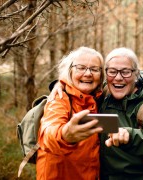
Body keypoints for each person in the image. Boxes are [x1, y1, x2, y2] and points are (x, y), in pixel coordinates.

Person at [51, 47, 143, 180]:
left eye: (125, 72)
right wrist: (60, 84)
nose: (118, 78)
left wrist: (131, 136)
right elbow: (81, 81)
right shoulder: (105, 92)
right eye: (112, 72)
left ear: (137, 74)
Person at [36, 46, 105, 180]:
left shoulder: (99, 98)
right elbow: (47, 133)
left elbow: (131, 75)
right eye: (81, 67)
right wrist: (64, 135)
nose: (88, 73)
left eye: (94, 69)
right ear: (70, 71)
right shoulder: (59, 98)